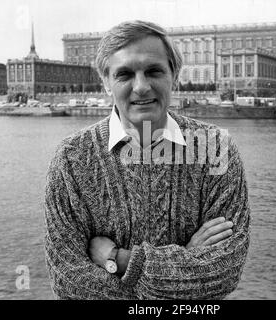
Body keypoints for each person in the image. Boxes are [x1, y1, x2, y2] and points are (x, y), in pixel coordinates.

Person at [44, 20, 250, 300]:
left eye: (153, 71)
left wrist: (117, 259)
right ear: (106, 82)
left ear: (174, 75)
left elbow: (223, 271)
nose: (141, 87)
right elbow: (70, 283)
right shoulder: (71, 159)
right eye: (124, 74)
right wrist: (186, 259)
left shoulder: (217, 148)